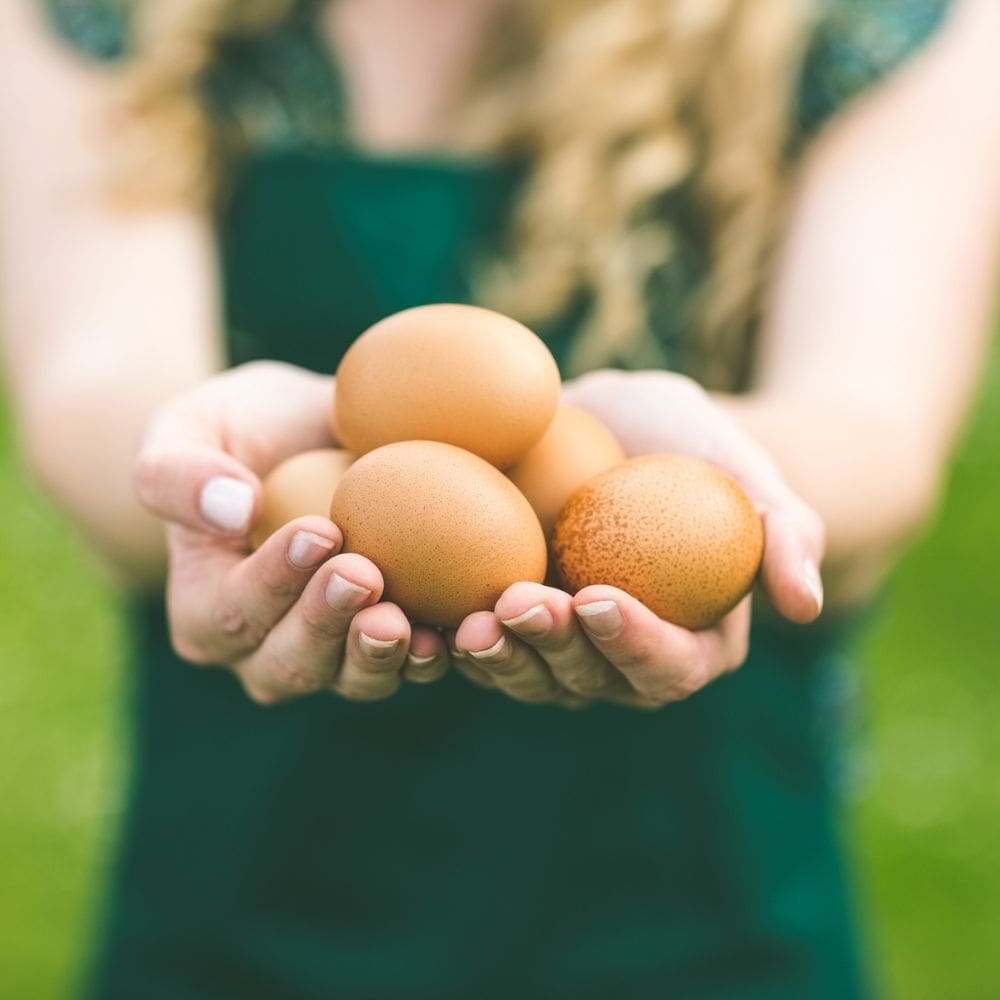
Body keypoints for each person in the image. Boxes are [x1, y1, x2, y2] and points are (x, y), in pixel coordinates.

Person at [1, 0, 997, 996]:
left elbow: (871, 428)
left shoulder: (862, 25)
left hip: (689, 907)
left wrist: (703, 492)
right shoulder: (121, 21)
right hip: (249, 901)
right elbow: (99, 380)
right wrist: (213, 474)